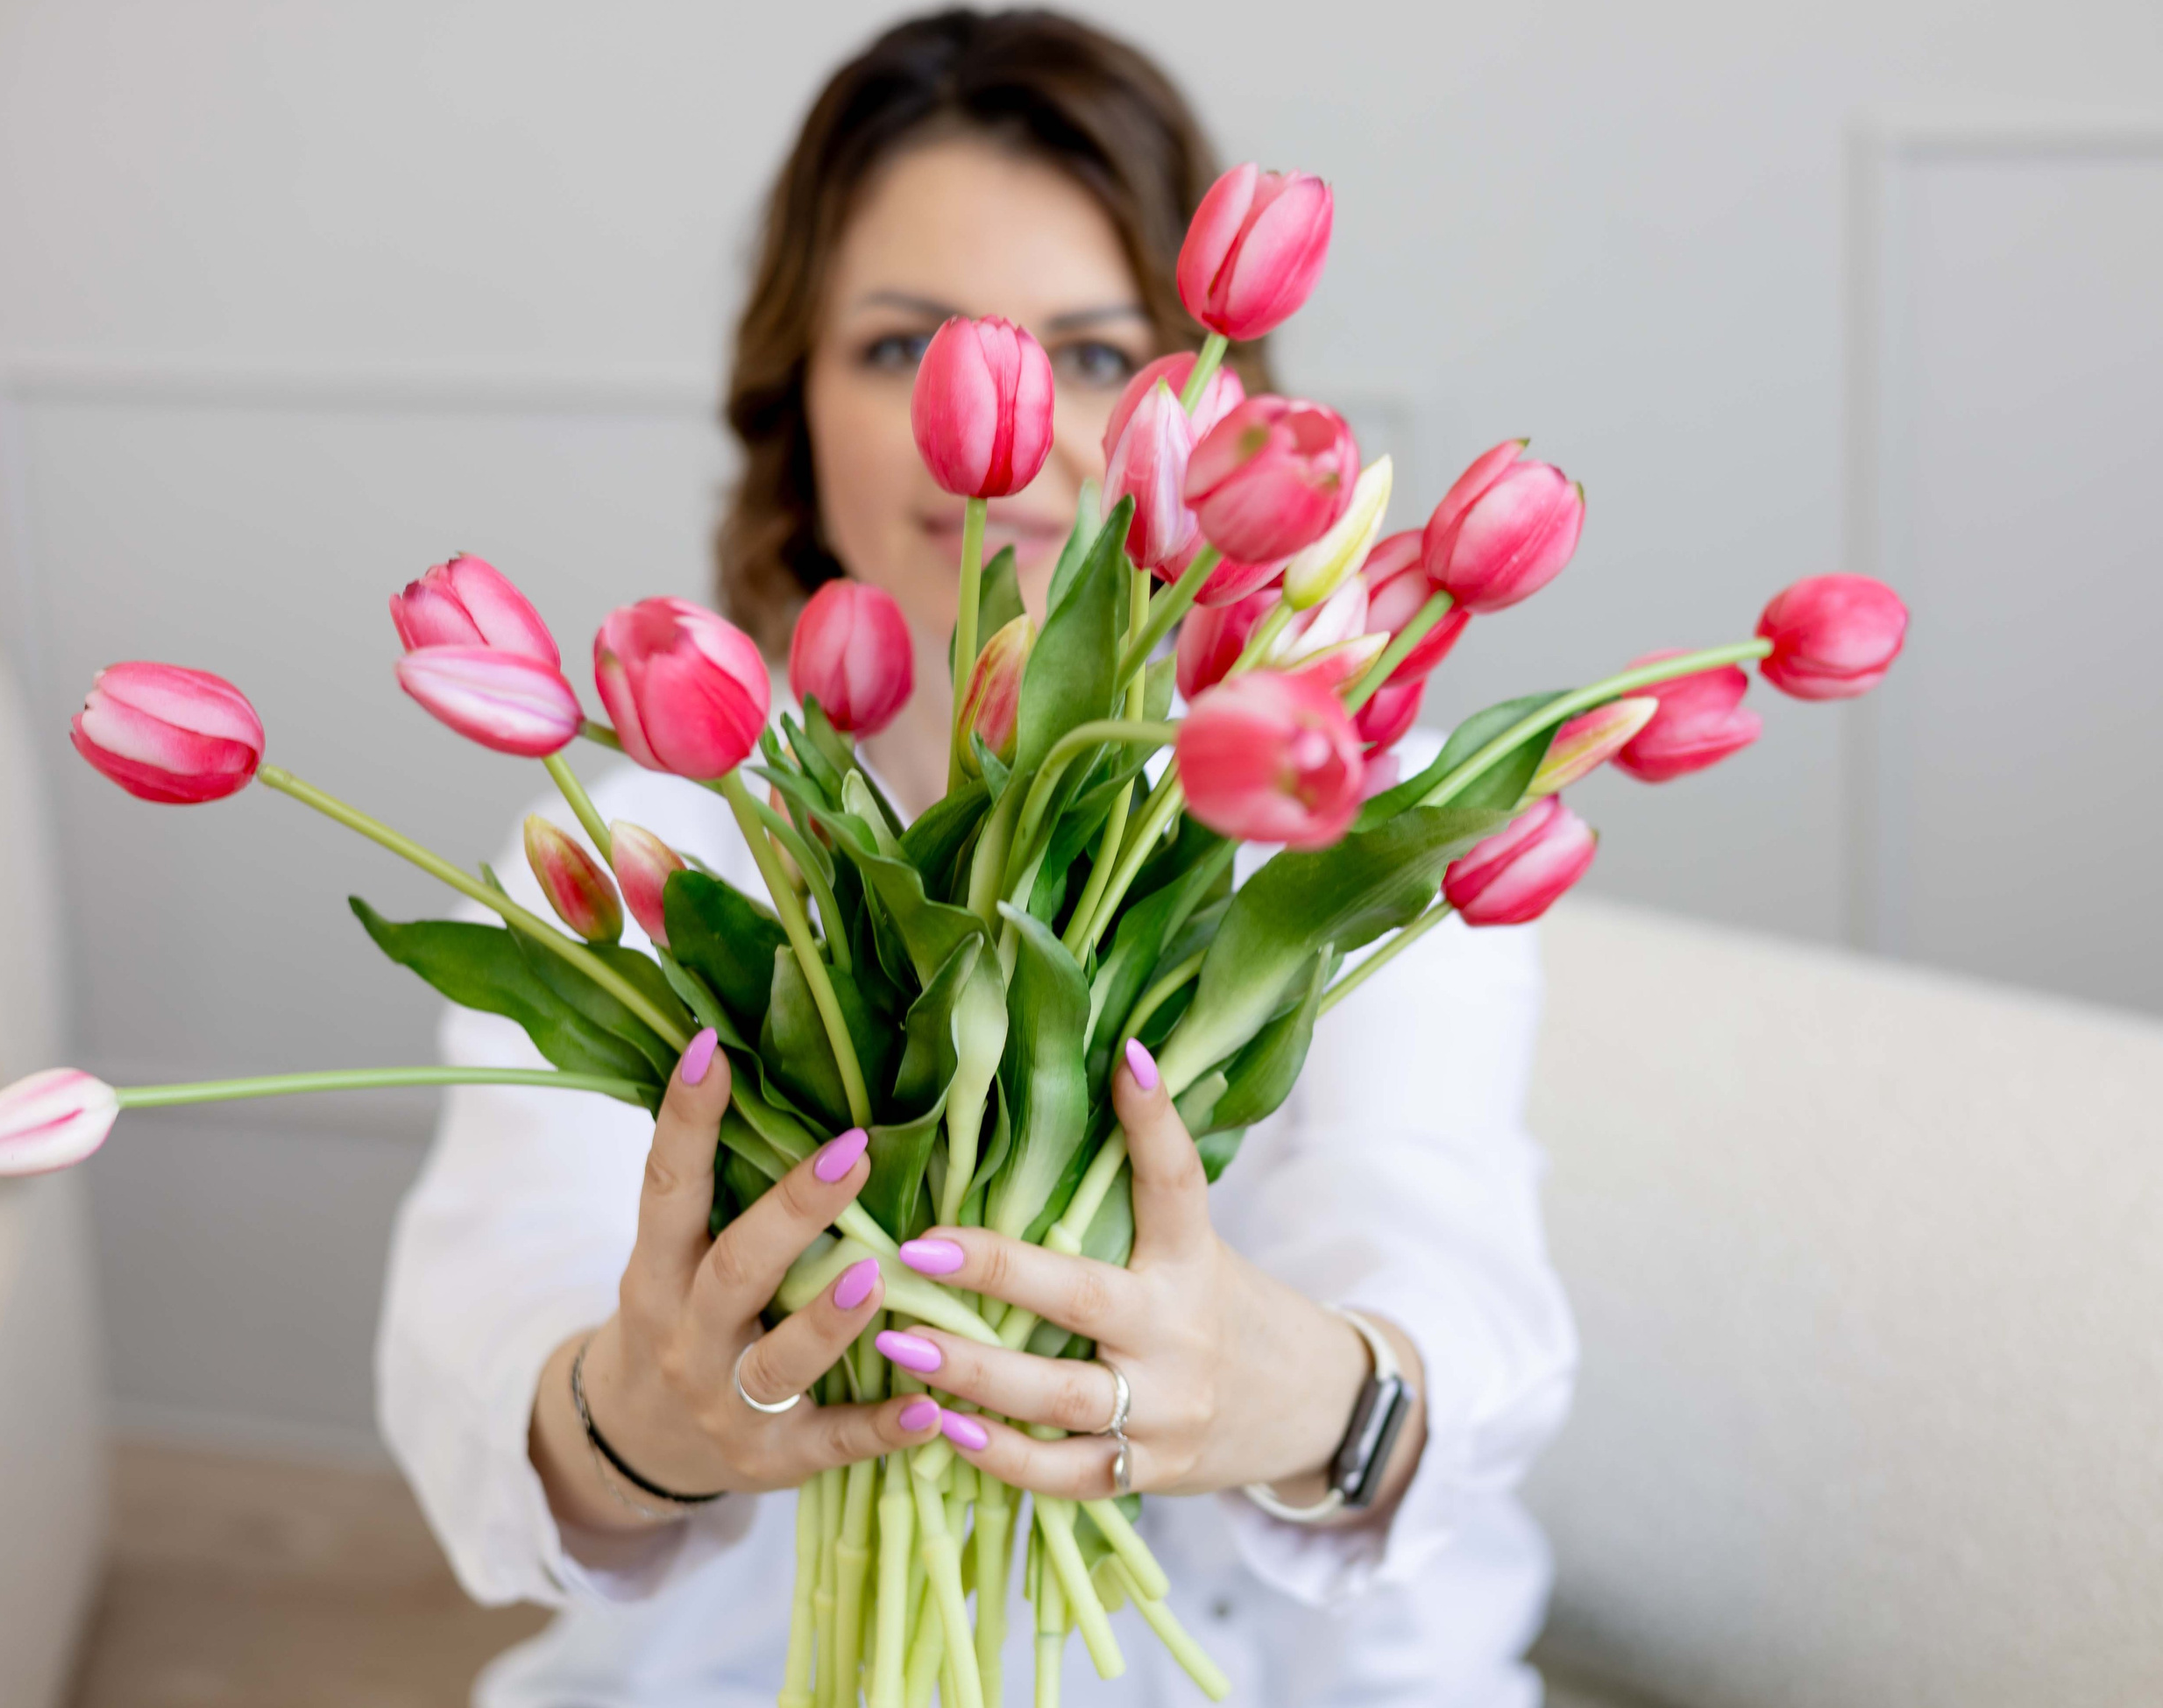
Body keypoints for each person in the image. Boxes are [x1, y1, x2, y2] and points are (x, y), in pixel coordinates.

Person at [378, 11, 1577, 1704]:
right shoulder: (640, 843)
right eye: (896, 346)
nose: (1001, 410)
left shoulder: (1339, 812)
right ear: (791, 401)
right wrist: (631, 1417)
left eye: (1095, 353)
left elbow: (1445, 1265)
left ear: (1214, 406)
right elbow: (484, 1325)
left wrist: (1295, 1388)